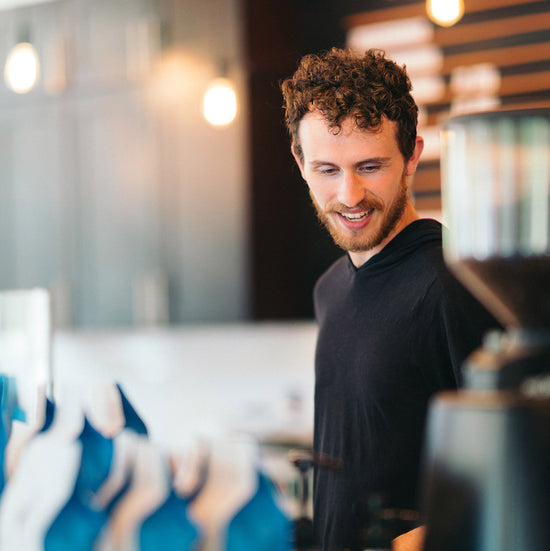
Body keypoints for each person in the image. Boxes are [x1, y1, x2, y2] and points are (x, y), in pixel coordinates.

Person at [280, 48, 500, 551]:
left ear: (413, 156)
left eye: (370, 166)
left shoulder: (454, 286)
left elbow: (518, 472)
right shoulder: (330, 289)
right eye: (327, 170)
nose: (350, 195)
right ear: (300, 162)